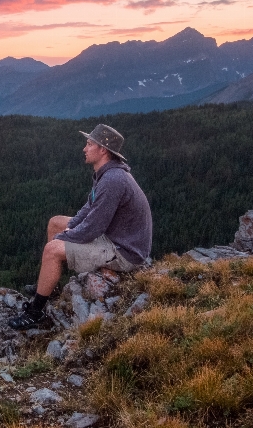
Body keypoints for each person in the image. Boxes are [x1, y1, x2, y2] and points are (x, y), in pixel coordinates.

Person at [8, 124, 152, 329]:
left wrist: (67, 237)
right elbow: (88, 210)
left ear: (103, 150)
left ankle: (35, 313)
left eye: (89, 144)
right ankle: (51, 284)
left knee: (52, 249)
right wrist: (69, 229)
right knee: (55, 223)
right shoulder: (105, 174)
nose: (84, 148)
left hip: (125, 252)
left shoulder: (113, 180)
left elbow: (93, 227)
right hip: (116, 238)